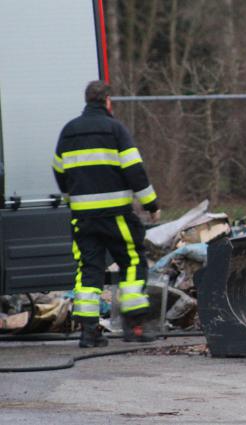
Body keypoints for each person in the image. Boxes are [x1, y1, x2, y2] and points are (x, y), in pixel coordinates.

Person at [53, 81, 161, 348]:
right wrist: (151, 205)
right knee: (133, 261)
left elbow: (58, 170)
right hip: (116, 216)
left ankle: (89, 333)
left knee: (89, 270)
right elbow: (135, 170)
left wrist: (74, 197)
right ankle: (135, 326)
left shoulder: (68, 132)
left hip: (83, 219)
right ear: (108, 101)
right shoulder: (115, 130)